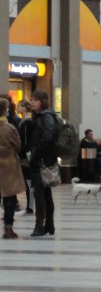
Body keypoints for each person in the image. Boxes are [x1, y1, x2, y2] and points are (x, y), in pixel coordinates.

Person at [28, 89, 58, 237]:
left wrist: (35, 154)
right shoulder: (41, 116)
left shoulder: (46, 117)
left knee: (40, 194)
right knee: (46, 193)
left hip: (42, 162)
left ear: (43, 102)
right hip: (43, 161)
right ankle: (49, 225)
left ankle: (40, 225)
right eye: (32, 99)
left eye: (36, 99)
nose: (32, 102)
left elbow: (47, 138)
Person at [0, 96, 26, 239]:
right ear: (5, 110)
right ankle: (8, 229)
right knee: (9, 199)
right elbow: (18, 146)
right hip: (8, 167)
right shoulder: (10, 128)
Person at [15, 99, 34, 216]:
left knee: (29, 181)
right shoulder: (23, 121)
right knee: (27, 182)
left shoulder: (27, 122)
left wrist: (22, 153)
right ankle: (29, 205)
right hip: (24, 156)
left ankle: (30, 206)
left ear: (25, 108)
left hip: (26, 157)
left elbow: (26, 141)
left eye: (19, 106)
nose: (17, 108)